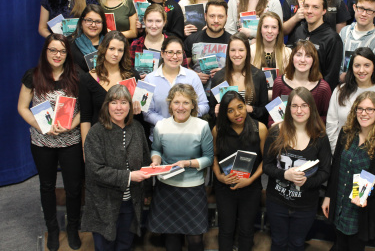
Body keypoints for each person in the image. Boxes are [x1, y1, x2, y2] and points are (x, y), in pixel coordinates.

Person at [17, 34, 83, 251]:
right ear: (45, 52)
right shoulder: (33, 76)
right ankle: (53, 229)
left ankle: (73, 228)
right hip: (41, 142)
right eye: (53, 50)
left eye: (62, 51)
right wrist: (41, 126)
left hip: (70, 141)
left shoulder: (77, 76)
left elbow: (86, 110)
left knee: (73, 188)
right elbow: (23, 108)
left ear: (68, 54)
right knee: (47, 186)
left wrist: (70, 126)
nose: (58, 55)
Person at [322, 91, 375, 251]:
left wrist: (364, 194)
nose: (364, 113)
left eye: (370, 109)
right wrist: (328, 196)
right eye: (360, 109)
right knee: (339, 243)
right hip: (340, 201)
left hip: (360, 209)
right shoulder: (346, 133)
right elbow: (335, 169)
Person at [82, 84, 151, 251]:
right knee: (105, 246)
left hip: (130, 202)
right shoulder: (96, 133)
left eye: (123, 102)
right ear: (106, 106)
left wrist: (147, 190)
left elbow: (145, 161)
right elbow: (96, 171)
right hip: (103, 203)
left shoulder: (137, 128)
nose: (119, 107)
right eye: (114, 102)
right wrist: (129, 177)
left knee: (125, 245)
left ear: (130, 105)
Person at [263, 87, 331, 250]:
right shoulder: (275, 133)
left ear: (311, 108)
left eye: (304, 105)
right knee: (278, 242)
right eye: (294, 106)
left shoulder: (320, 137)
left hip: (305, 205)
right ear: (288, 108)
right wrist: (285, 174)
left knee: (297, 244)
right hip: (277, 202)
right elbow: (267, 166)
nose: (299, 110)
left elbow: (325, 172)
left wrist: (307, 181)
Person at [147, 84, 214, 251]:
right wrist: (155, 160)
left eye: (186, 102)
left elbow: (209, 158)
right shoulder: (161, 126)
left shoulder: (202, 126)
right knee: (171, 237)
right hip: (166, 188)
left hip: (193, 188)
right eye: (176, 102)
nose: (181, 107)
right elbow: (156, 149)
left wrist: (188, 163)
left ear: (193, 105)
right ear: (170, 104)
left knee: (196, 240)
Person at [212, 91, 267, 251]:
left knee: (246, 230)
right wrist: (219, 176)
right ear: (224, 113)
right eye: (230, 110)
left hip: (251, 188)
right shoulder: (218, 130)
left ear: (246, 107)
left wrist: (250, 180)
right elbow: (213, 156)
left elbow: (266, 161)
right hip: (225, 187)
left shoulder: (260, 129)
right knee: (226, 230)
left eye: (240, 107)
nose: (237, 113)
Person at [79, 31, 141, 145]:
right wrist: (85, 148)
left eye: (120, 50)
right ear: (103, 49)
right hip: (99, 141)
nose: (116, 54)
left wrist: (138, 109)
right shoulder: (88, 79)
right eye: (112, 48)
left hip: (127, 140)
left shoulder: (133, 76)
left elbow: (139, 115)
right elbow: (85, 117)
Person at [326, 47, 375, 154]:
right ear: (351, 68)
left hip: (370, 155)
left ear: (374, 67)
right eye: (357, 65)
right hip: (341, 153)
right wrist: (336, 152)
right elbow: (331, 125)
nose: (361, 70)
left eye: (367, 65)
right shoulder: (340, 91)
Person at [143, 37, 209, 135]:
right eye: (170, 52)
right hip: (160, 136)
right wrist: (167, 124)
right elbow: (146, 112)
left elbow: (204, 105)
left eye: (178, 52)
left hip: (189, 134)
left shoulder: (192, 76)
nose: (175, 57)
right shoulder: (149, 79)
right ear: (162, 53)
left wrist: (188, 116)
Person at [287, 0, 343, 91]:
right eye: (306, 6)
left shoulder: (332, 38)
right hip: (295, 91)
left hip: (317, 95)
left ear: (324, 11)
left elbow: (331, 77)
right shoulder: (298, 31)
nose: (309, 11)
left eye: (315, 7)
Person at [209, 32, 268, 124]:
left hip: (251, 127)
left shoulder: (258, 75)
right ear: (228, 52)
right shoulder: (219, 77)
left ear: (247, 51)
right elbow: (211, 109)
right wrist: (216, 111)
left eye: (241, 50)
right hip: (227, 129)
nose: (237, 54)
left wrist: (251, 109)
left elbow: (264, 109)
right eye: (233, 50)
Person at [270, 40, 331, 126]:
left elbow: (327, 118)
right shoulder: (279, 83)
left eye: (308, 56)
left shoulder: (323, 88)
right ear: (292, 58)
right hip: (285, 133)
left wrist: (303, 123)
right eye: (298, 55)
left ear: (314, 60)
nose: (302, 60)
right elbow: (272, 118)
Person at [340, 0, 375, 80]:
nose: (364, 14)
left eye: (369, 10)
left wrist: (349, 78)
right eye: (361, 8)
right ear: (354, 7)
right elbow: (336, 66)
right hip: (342, 88)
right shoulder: (344, 32)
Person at [184, 0, 232, 92]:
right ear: (205, 16)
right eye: (212, 16)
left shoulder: (233, 42)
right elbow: (182, 66)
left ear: (226, 17)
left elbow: (242, 70)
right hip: (196, 95)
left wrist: (225, 73)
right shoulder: (192, 40)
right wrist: (195, 75)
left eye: (220, 16)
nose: (216, 20)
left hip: (225, 96)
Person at [130, 4, 188, 73]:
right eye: (150, 21)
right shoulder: (135, 45)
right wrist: (138, 77)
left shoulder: (175, 45)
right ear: (144, 21)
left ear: (164, 22)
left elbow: (185, 72)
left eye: (158, 21)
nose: (154, 26)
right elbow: (129, 73)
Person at [70, 4, 108, 72]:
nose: (93, 25)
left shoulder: (109, 43)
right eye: (89, 20)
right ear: (82, 21)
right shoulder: (70, 43)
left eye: (98, 21)